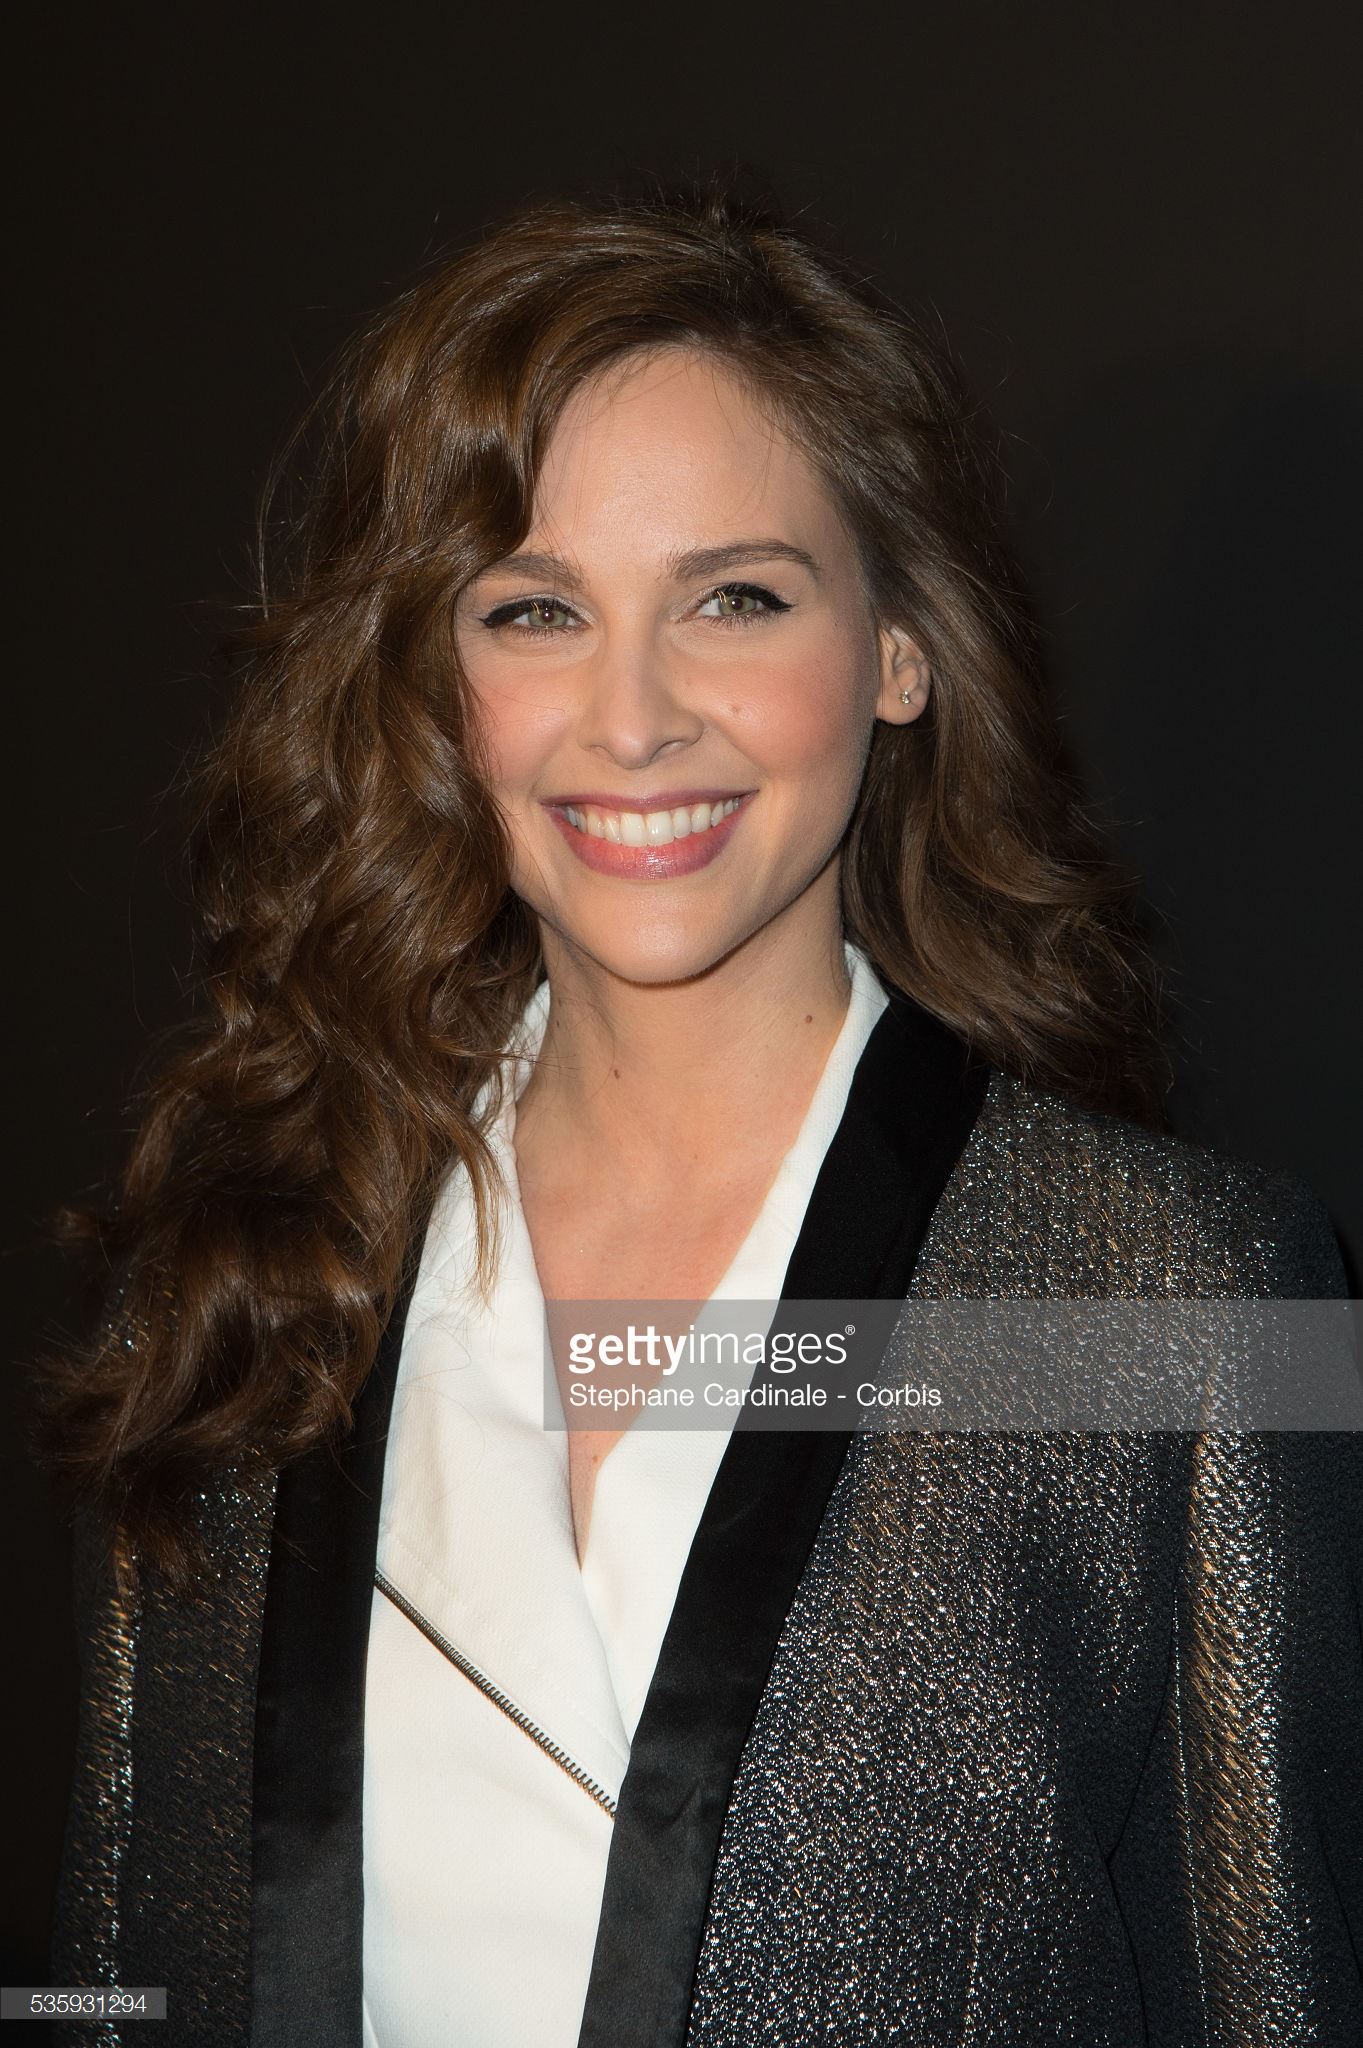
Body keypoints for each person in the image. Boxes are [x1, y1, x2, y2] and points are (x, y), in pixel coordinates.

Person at [40, 189, 1360, 2047]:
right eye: (536, 610)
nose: (634, 716)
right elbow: (110, 1975)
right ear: (438, 686)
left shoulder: (1180, 1302)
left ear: (899, 649)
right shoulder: (252, 1281)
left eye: (735, 598)